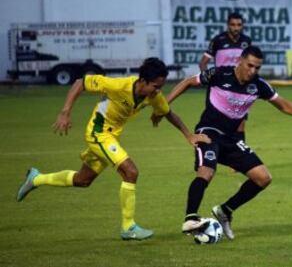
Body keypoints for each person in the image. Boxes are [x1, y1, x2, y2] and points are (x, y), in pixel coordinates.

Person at [16, 57, 210, 241]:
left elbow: (169, 113)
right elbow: (80, 82)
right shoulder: (119, 85)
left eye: (160, 87)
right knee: (131, 171)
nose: (157, 91)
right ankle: (128, 227)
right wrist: (65, 112)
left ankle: (36, 178)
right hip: (98, 133)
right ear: (142, 80)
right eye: (155, 86)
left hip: (111, 137)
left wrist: (189, 135)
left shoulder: (152, 95)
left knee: (82, 180)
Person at [153, 46, 292, 240]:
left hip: (231, 139)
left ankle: (225, 210)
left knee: (263, 178)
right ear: (240, 60)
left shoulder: (258, 85)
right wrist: (163, 105)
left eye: (257, 67)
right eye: (250, 65)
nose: (253, 71)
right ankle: (190, 218)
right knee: (207, 171)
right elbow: (189, 82)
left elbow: (281, 103)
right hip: (209, 132)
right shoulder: (219, 74)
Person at [199, 12, 252, 139]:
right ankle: (214, 147)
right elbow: (203, 63)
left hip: (240, 87)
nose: (236, 28)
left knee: (240, 121)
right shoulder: (218, 40)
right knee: (216, 120)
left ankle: (240, 149)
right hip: (220, 88)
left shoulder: (246, 41)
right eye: (233, 24)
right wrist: (207, 78)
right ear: (228, 25)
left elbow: (250, 63)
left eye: (239, 25)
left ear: (242, 26)